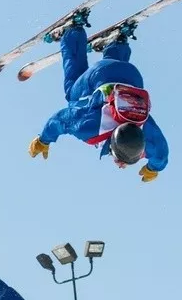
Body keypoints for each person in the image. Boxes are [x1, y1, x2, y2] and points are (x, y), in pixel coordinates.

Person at [28, 23, 168, 183]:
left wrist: (154, 168)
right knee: (73, 96)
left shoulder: (144, 130)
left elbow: (161, 152)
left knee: (108, 88)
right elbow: (61, 119)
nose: (122, 165)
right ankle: (72, 33)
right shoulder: (90, 127)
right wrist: (44, 140)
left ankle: (117, 43)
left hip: (131, 74)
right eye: (121, 160)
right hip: (99, 73)